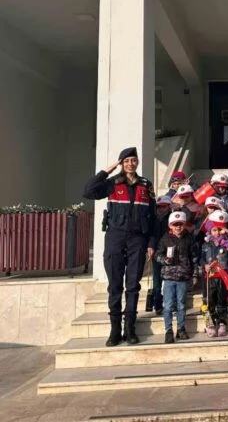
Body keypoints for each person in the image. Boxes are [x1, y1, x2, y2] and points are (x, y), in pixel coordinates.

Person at [83, 147, 156, 347]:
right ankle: (115, 329)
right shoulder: (112, 183)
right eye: (126, 161)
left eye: (133, 160)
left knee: (133, 285)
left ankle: (129, 328)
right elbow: (88, 191)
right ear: (121, 164)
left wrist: (151, 242)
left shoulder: (145, 184)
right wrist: (108, 170)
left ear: (137, 162)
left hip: (138, 240)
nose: (130, 164)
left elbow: (152, 216)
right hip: (115, 237)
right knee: (115, 285)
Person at [155, 210, 199, 343]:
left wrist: (195, 274)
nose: (178, 227)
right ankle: (168, 330)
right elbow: (157, 255)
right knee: (168, 305)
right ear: (170, 226)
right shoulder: (165, 239)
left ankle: (181, 328)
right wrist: (165, 260)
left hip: (183, 277)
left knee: (181, 304)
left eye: (180, 224)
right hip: (168, 277)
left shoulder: (189, 238)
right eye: (175, 224)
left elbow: (194, 258)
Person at [199, 210, 228, 338]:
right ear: (210, 231)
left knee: (221, 299)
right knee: (209, 300)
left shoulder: (227, 243)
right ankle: (210, 322)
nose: (217, 233)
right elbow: (201, 258)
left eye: (219, 230)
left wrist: (227, 232)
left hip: (222, 275)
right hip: (210, 276)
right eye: (214, 230)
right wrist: (203, 265)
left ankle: (222, 322)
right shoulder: (206, 244)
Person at [151, 195, 173, 315]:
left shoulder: (173, 218)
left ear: (169, 207)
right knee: (157, 280)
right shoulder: (153, 218)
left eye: (163, 206)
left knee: (171, 278)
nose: (160, 209)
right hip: (156, 252)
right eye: (158, 206)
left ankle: (171, 304)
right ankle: (158, 304)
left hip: (170, 250)